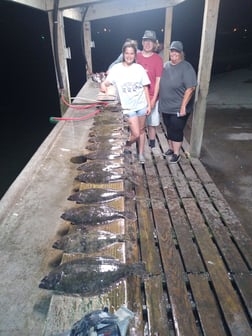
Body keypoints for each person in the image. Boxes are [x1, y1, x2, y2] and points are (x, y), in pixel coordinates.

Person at [100, 40, 151, 164]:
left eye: (132, 53)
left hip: (141, 105)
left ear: (135, 55)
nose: (129, 56)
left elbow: (145, 87)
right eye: (127, 53)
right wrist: (103, 85)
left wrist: (149, 105)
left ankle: (140, 154)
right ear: (123, 53)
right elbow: (106, 82)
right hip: (128, 108)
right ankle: (126, 145)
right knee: (136, 133)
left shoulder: (139, 68)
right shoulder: (116, 69)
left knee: (142, 130)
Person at [159, 41, 197, 164]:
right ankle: (171, 148)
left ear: (181, 53)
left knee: (176, 129)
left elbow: (191, 88)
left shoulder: (186, 67)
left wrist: (183, 106)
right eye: (172, 51)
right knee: (168, 127)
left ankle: (176, 153)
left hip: (178, 107)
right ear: (169, 52)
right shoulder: (165, 66)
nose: (174, 53)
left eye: (177, 51)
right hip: (166, 106)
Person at [136, 30, 163, 154]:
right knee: (137, 124)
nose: (147, 43)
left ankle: (152, 145)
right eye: (145, 41)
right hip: (137, 97)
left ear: (154, 44)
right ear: (142, 42)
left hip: (152, 96)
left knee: (152, 123)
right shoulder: (136, 56)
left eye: (150, 41)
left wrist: (153, 100)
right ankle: (137, 146)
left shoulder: (158, 59)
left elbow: (158, 81)